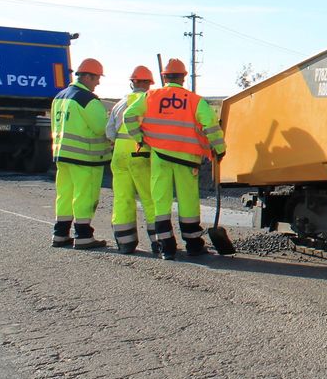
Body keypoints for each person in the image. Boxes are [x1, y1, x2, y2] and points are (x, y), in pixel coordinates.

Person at [123, 59, 225, 261]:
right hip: (187, 159)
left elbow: (128, 115)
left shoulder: (150, 96)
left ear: (163, 76)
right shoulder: (194, 100)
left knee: (161, 202)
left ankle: (166, 247)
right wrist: (220, 149)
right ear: (183, 77)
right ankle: (194, 245)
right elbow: (211, 125)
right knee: (188, 202)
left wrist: (140, 138)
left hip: (160, 157)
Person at [50, 58, 111, 249]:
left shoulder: (59, 97)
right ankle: (83, 235)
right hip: (85, 157)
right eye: (96, 78)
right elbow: (101, 128)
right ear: (87, 76)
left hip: (62, 155)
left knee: (64, 194)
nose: (98, 83)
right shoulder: (88, 100)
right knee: (85, 195)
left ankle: (60, 233)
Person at [106, 65, 157, 254]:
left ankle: (125, 242)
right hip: (141, 152)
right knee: (150, 198)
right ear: (149, 84)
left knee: (122, 198)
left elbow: (109, 133)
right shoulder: (150, 101)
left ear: (132, 83)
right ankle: (158, 242)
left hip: (119, 155)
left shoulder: (120, 103)